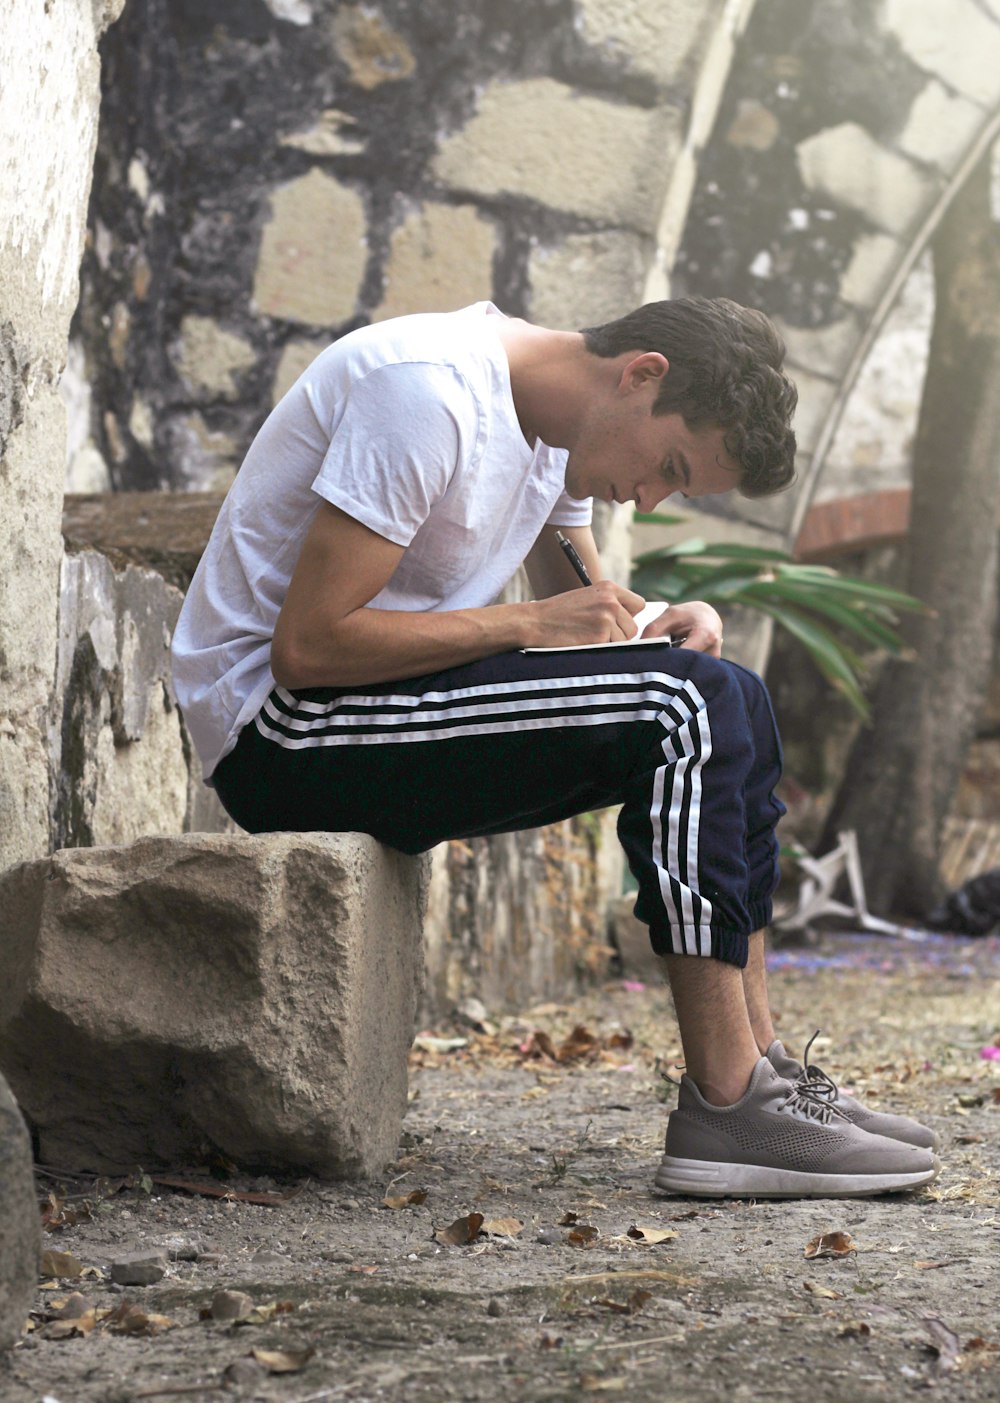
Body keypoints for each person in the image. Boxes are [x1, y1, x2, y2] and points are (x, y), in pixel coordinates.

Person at [171, 296, 939, 1197]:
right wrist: (532, 621)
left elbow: (581, 606)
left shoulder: (554, 430)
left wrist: (658, 621)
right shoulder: (426, 393)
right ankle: (728, 1103)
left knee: (732, 697)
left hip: (381, 704)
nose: (650, 498)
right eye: (667, 467)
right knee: (687, 707)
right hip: (282, 731)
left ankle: (763, 1074)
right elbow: (308, 648)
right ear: (641, 374)